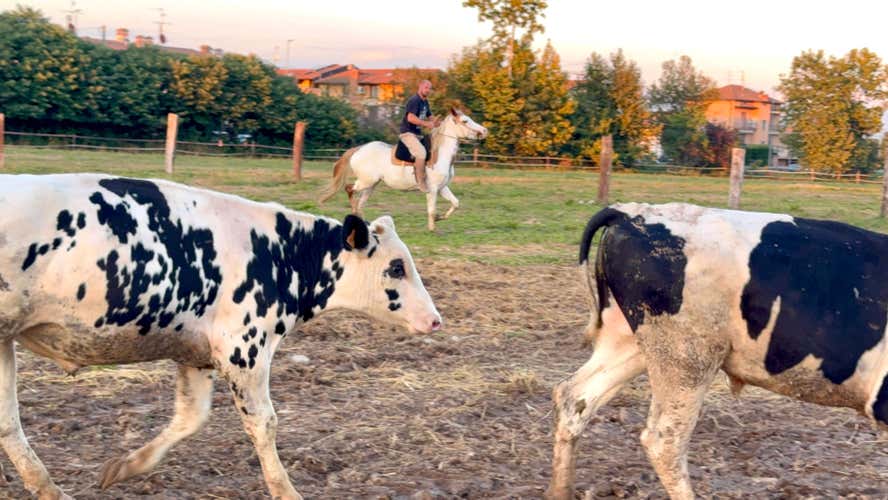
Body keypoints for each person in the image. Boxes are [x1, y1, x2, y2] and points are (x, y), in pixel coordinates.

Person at [399, 80, 440, 192]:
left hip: (418, 134)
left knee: (431, 150)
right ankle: (420, 182)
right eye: (426, 87)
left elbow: (430, 116)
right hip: (407, 133)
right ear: (420, 87)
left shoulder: (425, 102)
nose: (428, 90)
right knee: (421, 153)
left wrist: (438, 123)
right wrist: (427, 124)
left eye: (430, 88)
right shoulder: (414, 100)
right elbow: (410, 118)